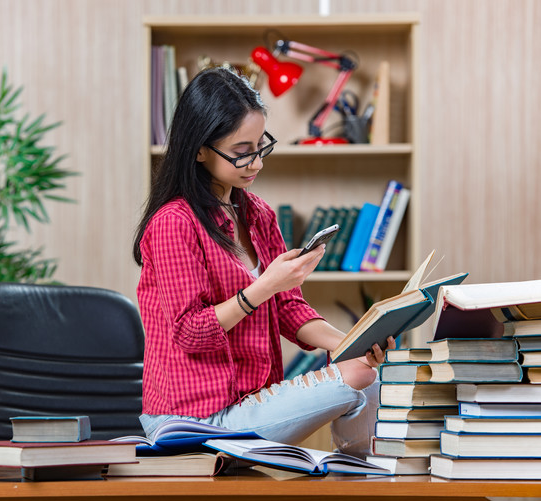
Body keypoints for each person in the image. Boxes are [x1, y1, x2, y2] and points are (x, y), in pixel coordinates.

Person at [132, 67, 395, 458]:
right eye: (241, 152)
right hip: (191, 419)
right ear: (199, 149)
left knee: (366, 372)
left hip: (248, 404)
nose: (256, 162)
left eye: (260, 145)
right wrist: (265, 285)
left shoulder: (258, 215)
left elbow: (289, 309)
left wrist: (350, 343)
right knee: (359, 378)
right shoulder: (173, 223)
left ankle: (362, 482)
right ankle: (360, 478)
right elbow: (190, 332)